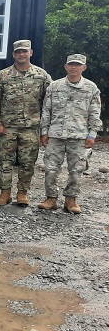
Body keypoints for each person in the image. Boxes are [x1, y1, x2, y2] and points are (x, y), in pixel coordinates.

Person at [0, 39, 52, 207]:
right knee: (4, 161)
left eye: (25, 51)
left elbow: (49, 101)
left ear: (30, 53)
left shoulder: (42, 75)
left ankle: (22, 192)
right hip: (7, 127)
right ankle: (5, 192)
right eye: (18, 52)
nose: (21, 54)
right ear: (13, 55)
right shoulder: (3, 75)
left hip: (30, 128)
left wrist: (46, 127)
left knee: (28, 162)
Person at [37, 54, 102, 214]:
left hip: (79, 137)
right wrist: (44, 132)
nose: (74, 67)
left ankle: (70, 200)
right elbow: (46, 110)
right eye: (71, 64)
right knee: (51, 169)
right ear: (66, 67)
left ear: (83, 68)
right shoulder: (55, 86)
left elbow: (95, 113)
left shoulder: (91, 88)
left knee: (76, 171)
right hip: (56, 136)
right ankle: (50, 199)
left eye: (77, 65)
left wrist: (92, 134)